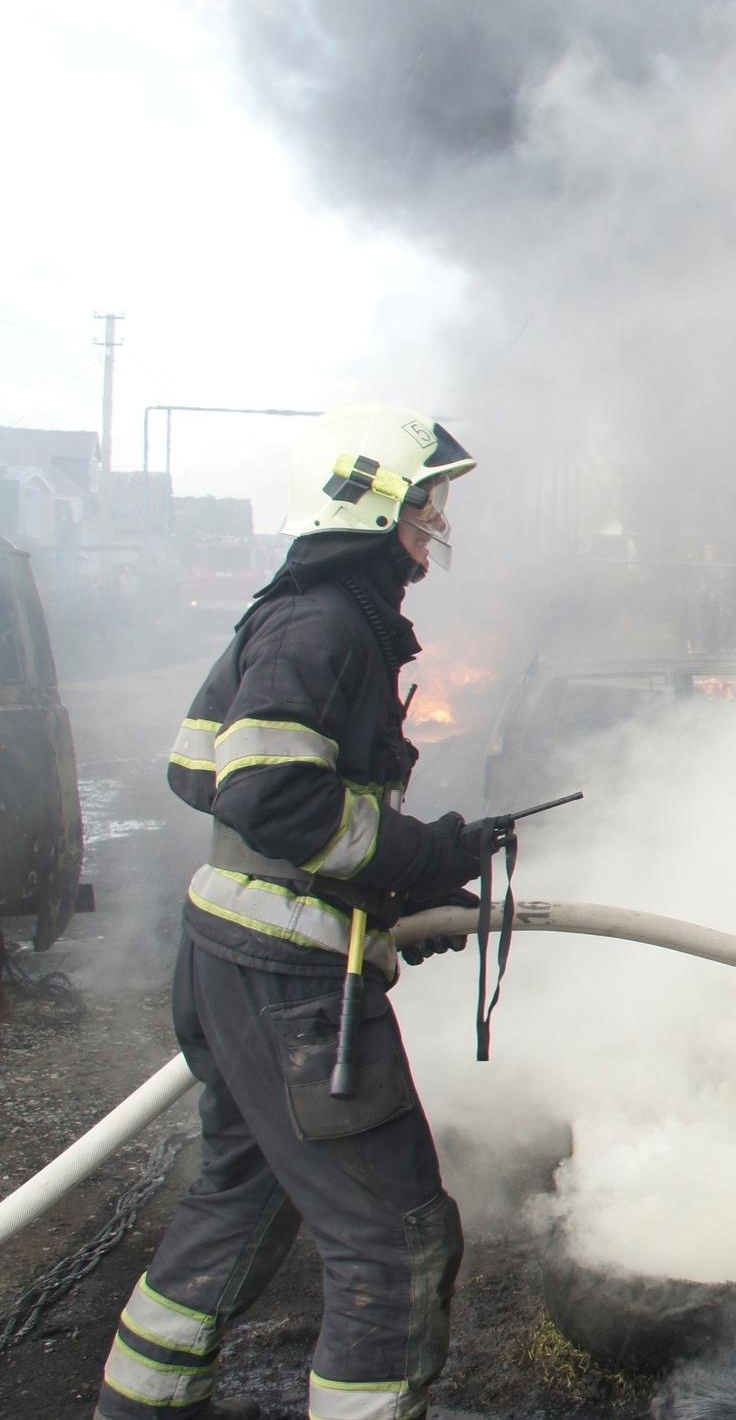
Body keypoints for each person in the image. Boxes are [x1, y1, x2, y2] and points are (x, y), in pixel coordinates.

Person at [98, 404, 498, 1420]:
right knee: (394, 1241)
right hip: (288, 982)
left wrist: (394, 887)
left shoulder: (299, 615)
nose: (435, 526)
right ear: (373, 506)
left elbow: (199, 767)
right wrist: (419, 852)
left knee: (245, 1193)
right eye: (424, 505)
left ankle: (140, 1402)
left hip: (234, 961)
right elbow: (269, 795)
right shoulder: (322, 625)